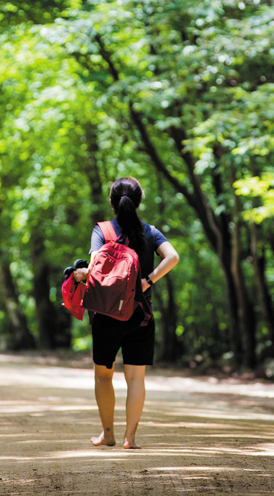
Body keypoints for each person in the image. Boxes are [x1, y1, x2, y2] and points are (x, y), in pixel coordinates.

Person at [74, 176, 179, 450]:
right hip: (141, 313)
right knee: (135, 378)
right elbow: (173, 257)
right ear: (139, 200)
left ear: (112, 202)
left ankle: (107, 433)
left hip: (106, 314)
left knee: (103, 375)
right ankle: (130, 437)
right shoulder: (150, 231)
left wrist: (78, 274)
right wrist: (148, 281)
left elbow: (95, 267)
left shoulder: (103, 230)